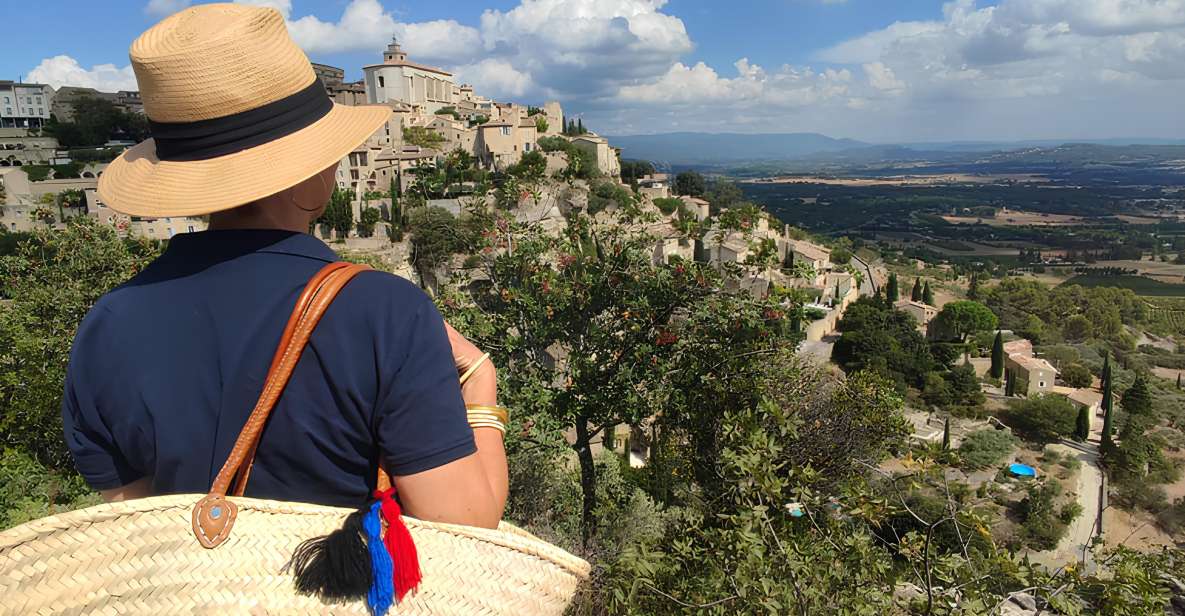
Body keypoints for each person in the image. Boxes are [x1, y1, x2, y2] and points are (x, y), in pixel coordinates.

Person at [60, 3, 507, 529]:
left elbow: (144, 519)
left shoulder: (106, 325)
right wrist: (482, 387)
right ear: (311, 172)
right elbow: (467, 522)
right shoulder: (382, 311)